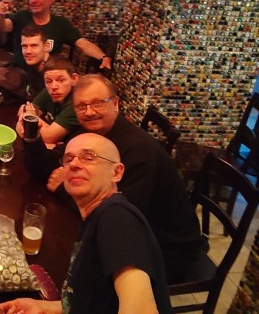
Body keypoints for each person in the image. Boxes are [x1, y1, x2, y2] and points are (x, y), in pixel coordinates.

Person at [21, 74, 205, 284]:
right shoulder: (87, 133)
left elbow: (122, 219)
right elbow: (49, 169)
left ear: (115, 103)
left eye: (98, 103)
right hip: (122, 229)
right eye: (81, 106)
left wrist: (64, 189)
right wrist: (31, 137)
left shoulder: (139, 152)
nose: (89, 112)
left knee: (71, 271)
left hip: (165, 248)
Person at [0, 133, 172, 314]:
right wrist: (43, 307)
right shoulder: (96, 216)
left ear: (116, 173)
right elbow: (91, 303)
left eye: (88, 157)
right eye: (68, 159)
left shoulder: (117, 218)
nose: (74, 164)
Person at [0, 0, 112, 70]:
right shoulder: (21, 16)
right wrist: (0, 14)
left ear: (50, 0)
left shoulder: (61, 23)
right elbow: (1, 27)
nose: (34, 1)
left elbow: (83, 44)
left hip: (47, 76)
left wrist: (102, 57)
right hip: (19, 72)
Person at [19, 55, 80, 146]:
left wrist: (30, 118)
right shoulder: (51, 91)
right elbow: (24, 121)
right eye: (48, 81)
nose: (54, 86)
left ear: (74, 79)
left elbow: (48, 137)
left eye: (61, 80)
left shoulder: (78, 102)